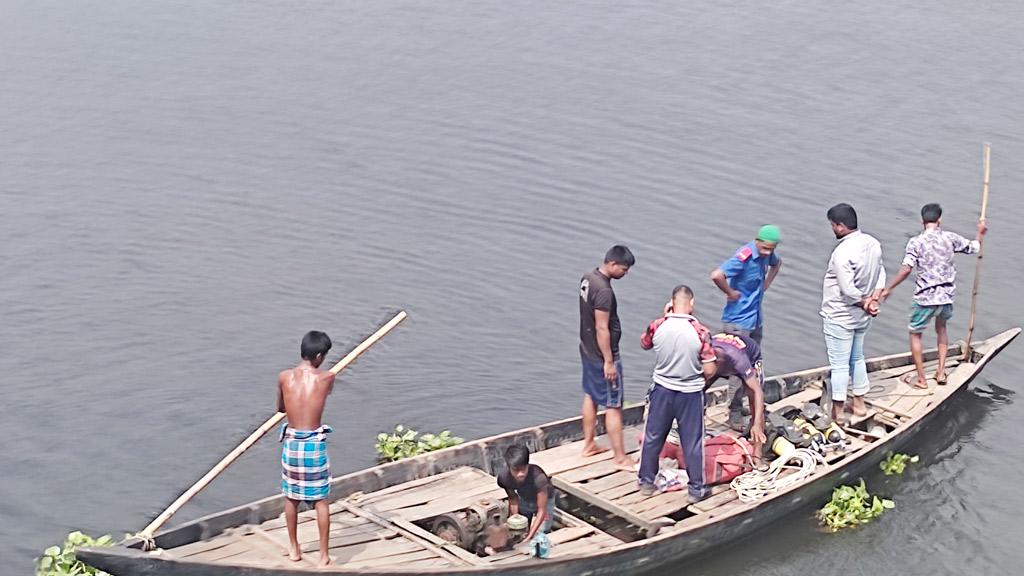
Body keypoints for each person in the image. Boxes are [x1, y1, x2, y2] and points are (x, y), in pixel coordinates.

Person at [881, 203, 987, 389]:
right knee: (942, 329)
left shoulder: (916, 242)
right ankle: (940, 371)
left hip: (925, 298)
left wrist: (889, 288)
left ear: (922, 221)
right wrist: (980, 232)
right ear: (939, 220)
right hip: (945, 298)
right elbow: (974, 248)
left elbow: (906, 269)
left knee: (915, 334)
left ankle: (922, 379)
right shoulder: (950, 238)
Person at [638, 285, 717, 502]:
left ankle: (646, 482)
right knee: (691, 442)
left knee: (653, 437)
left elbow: (645, 343)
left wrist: (665, 316)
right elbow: (710, 369)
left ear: (671, 302)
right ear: (691, 303)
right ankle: (696, 489)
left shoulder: (658, 325)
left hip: (662, 389)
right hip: (690, 394)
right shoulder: (700, 332)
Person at [821, 203, 885, 422]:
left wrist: (865, 303)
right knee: (857, 358)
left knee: (839, 364)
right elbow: (881, 273)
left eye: (832, 225)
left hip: (840, 316)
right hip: (862, 318)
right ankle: (859, 405)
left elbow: (848, 291)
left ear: (840, 226)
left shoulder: (842, 252)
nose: (832, 229)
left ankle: (837, 413)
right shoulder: (873, 243)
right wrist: (873, 299)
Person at [277, 331, 337, 567]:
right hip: (313, 445)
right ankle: (323, 555)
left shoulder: (284, 377)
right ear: (320, 355)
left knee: (291, 498)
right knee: (320, 500)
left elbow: (281, 408)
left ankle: (294, 549)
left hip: (292, 444)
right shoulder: (327, 378)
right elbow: (324, 394)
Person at [578, 245, 636, 471]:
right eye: (624, 269)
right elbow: (602, 328)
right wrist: (609, 362)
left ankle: (589, 444)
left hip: (587, 348)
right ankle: (620, 457)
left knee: (591, 395)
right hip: (602, 355)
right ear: (612, 264)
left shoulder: (588, 278)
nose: (625, 273)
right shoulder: (604, 291)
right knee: (614, 405)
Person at [710, 225, 783, 344]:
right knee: (738, 359)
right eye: (765, 248)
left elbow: (777, 263)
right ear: (757, 241)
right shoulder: (743, 258)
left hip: (755, 319)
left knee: (755, 359)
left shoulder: (768, 254)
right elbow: (717, 275)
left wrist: (767, 283)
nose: (767, 252)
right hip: (738, 321)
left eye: (771, 249)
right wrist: (730, 293)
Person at [705, 332, 767, 457]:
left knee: (753, 398)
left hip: (749, 355)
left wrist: (756, 425)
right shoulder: (704, 352)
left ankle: (757, 454)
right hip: (718, 356)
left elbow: (757, 392)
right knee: (697, 390)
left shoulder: (739, 360)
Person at [497, 444, 556, 546]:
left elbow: (542, 510)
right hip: (525, 498)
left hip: (544, 500)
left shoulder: (539, 478)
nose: (520, 474)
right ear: (509, 467)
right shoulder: (504, 478)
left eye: (523, 469)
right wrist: (513, 518)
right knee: (519, 528)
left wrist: (529, 537)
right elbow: (513, 499)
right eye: (516, 470)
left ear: (527, 465)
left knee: (541, 532)